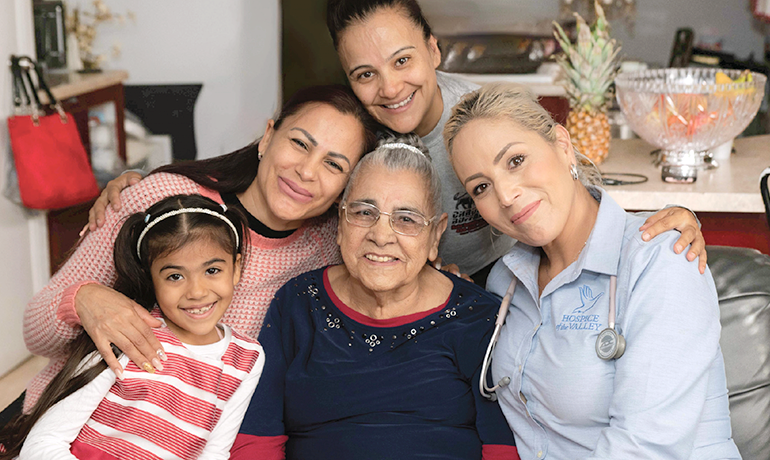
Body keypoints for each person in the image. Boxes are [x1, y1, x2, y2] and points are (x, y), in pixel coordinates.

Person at [90, 0, 707, 284]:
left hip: (507, 278)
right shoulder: (353, 135)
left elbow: (567, 189)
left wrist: (657, 223)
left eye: (403, 60)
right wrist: (147, 189)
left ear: (434, 50)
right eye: (365, 74)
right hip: (403, 286)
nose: (389, 88)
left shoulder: (483, 116)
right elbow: (284, 174)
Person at [19, 85, 379, 414]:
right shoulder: (162, 198)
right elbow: (36, 333)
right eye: (300, 144)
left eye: (334, 164)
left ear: (348, 187)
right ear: (268, 136)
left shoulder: (331, 251)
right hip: (65, 425)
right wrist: (83, 301)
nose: (307, 171)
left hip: (184, 442)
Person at [444, 83, 741, 459]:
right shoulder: (506, 283)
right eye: (481, 187)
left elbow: (646, 447)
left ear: (562, 145)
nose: (505, 195)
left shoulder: (660, 259)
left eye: (515, 160)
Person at [230, 135, 520, 460]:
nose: (381, 236)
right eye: (364, 212)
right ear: (341, 222)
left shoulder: (479, 317)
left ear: (435, 234)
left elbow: (503, 449)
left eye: (406, 219)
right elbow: (256, 440)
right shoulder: (298, 303)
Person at [3, 195, 264, 460]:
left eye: (212, 271)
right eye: (175, 276)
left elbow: (215, 453)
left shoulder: (247, 358)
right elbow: (43, 443)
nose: (196, 292)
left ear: (236, 268)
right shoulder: (127, 331)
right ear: (151, 279)